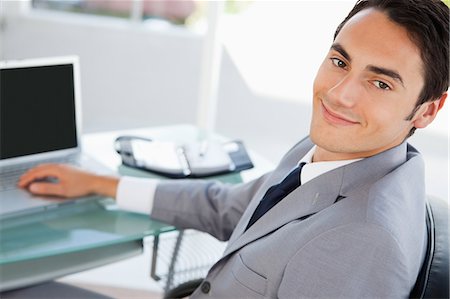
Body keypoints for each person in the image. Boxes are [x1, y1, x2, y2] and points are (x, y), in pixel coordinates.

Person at [17, 0, 449, 297]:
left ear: (427, 112)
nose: (339, 95)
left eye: (380, 83)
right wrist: (100, 183)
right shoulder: (331, 148)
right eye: (340, 61)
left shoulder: (361, 241)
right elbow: (228, 206)